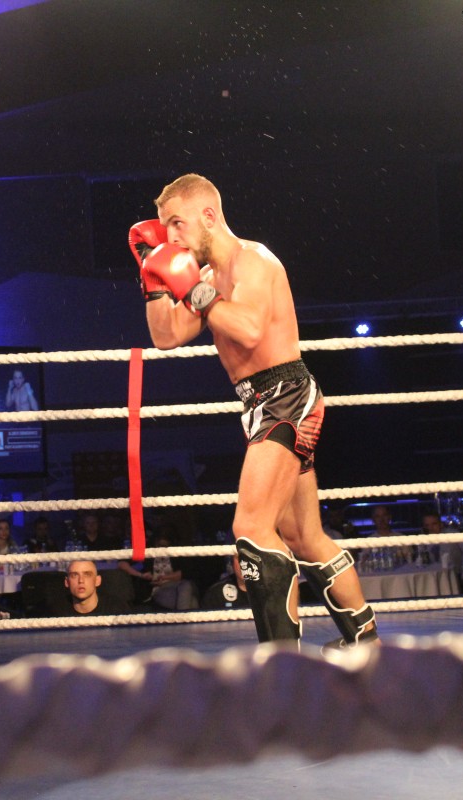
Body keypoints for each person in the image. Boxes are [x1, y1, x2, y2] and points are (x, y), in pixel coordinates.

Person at [130, 173, 378, 649]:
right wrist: (153, 279)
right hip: (260, 404)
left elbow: (246, 328)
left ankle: (283, 664)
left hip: (286, 396)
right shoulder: (206, 278)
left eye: (177, 223)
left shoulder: (254, 260)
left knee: (251, 528)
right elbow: (166, 336)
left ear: (208, 216)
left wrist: (191, 288)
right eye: (164, 228)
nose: (171, 237)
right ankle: (366, 645)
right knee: (304, 538)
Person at [423, 512, 463, 592]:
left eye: (434, 524)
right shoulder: (424, 539)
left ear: (441, 524)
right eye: (427, 525)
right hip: (433, 579)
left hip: (454, 576)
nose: (430, 528)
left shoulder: (453, 534)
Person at [61, 559, 129, 616]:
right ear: (67, 582)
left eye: (87, 575)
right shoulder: (57, 611)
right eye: (74, 575)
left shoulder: (117, 609)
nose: (81, 580)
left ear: (97, 580)